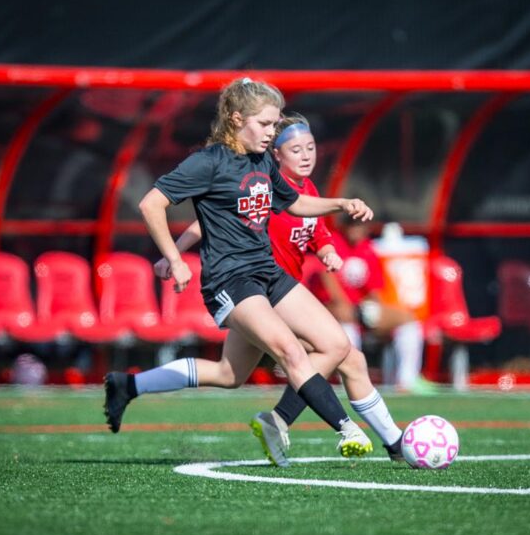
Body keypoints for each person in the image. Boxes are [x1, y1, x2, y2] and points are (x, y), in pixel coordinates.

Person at [103, 78, 374, 458]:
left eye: (274, 124)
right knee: (291, 351)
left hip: (267, 273)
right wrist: (176, 259)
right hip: (230, 280)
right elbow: (151, 204)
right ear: (235, 119)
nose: (271, 133)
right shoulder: (208, 161)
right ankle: (347, 430)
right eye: (264, 124)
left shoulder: (262, 159)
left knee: (310, 351)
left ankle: (127, 387)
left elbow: (293, 203)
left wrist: (341, 204)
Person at [156, 114, 404, 466]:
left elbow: (316, 233)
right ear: (275, 155)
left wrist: (328, 250)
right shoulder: (263, 186)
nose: (306, 155)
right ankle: (373, 439)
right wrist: (174, 253)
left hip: (284, 294)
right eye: (295, 149)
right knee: (338, 353)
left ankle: (390, 444)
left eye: (311, 147)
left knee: (233, 374)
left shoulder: (309, 190)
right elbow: (205, 222)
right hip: (261, 295)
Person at [310, 217, 431, 394]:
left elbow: (374, 290)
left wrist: (375, 312)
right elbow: (327, 280)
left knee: (408, 320)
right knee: (346, 325)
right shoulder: (332, 243)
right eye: (352, 224)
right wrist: (348, 308)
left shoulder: (367, 248)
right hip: (331, 310)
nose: (356, 229)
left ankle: (406, 381)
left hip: (359, 310)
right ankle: (351, 383)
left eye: (360, 224)